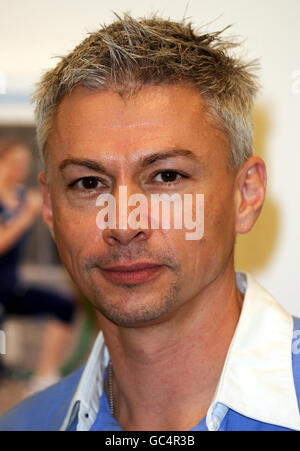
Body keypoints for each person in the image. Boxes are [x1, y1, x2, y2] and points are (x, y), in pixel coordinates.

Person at [0, 13, 299, 431]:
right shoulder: (23, 425)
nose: (123, 223)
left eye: (167, 176)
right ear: (50, 208)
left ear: (245, 195)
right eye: (88, 183)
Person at [0, 136, 76, 393]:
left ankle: (43, 376)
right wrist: (25, 217)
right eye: (15, 162)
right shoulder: (21, 206)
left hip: (11, 288)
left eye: (24, 163)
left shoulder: (24, 197)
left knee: (62, 305)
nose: (21, 168)